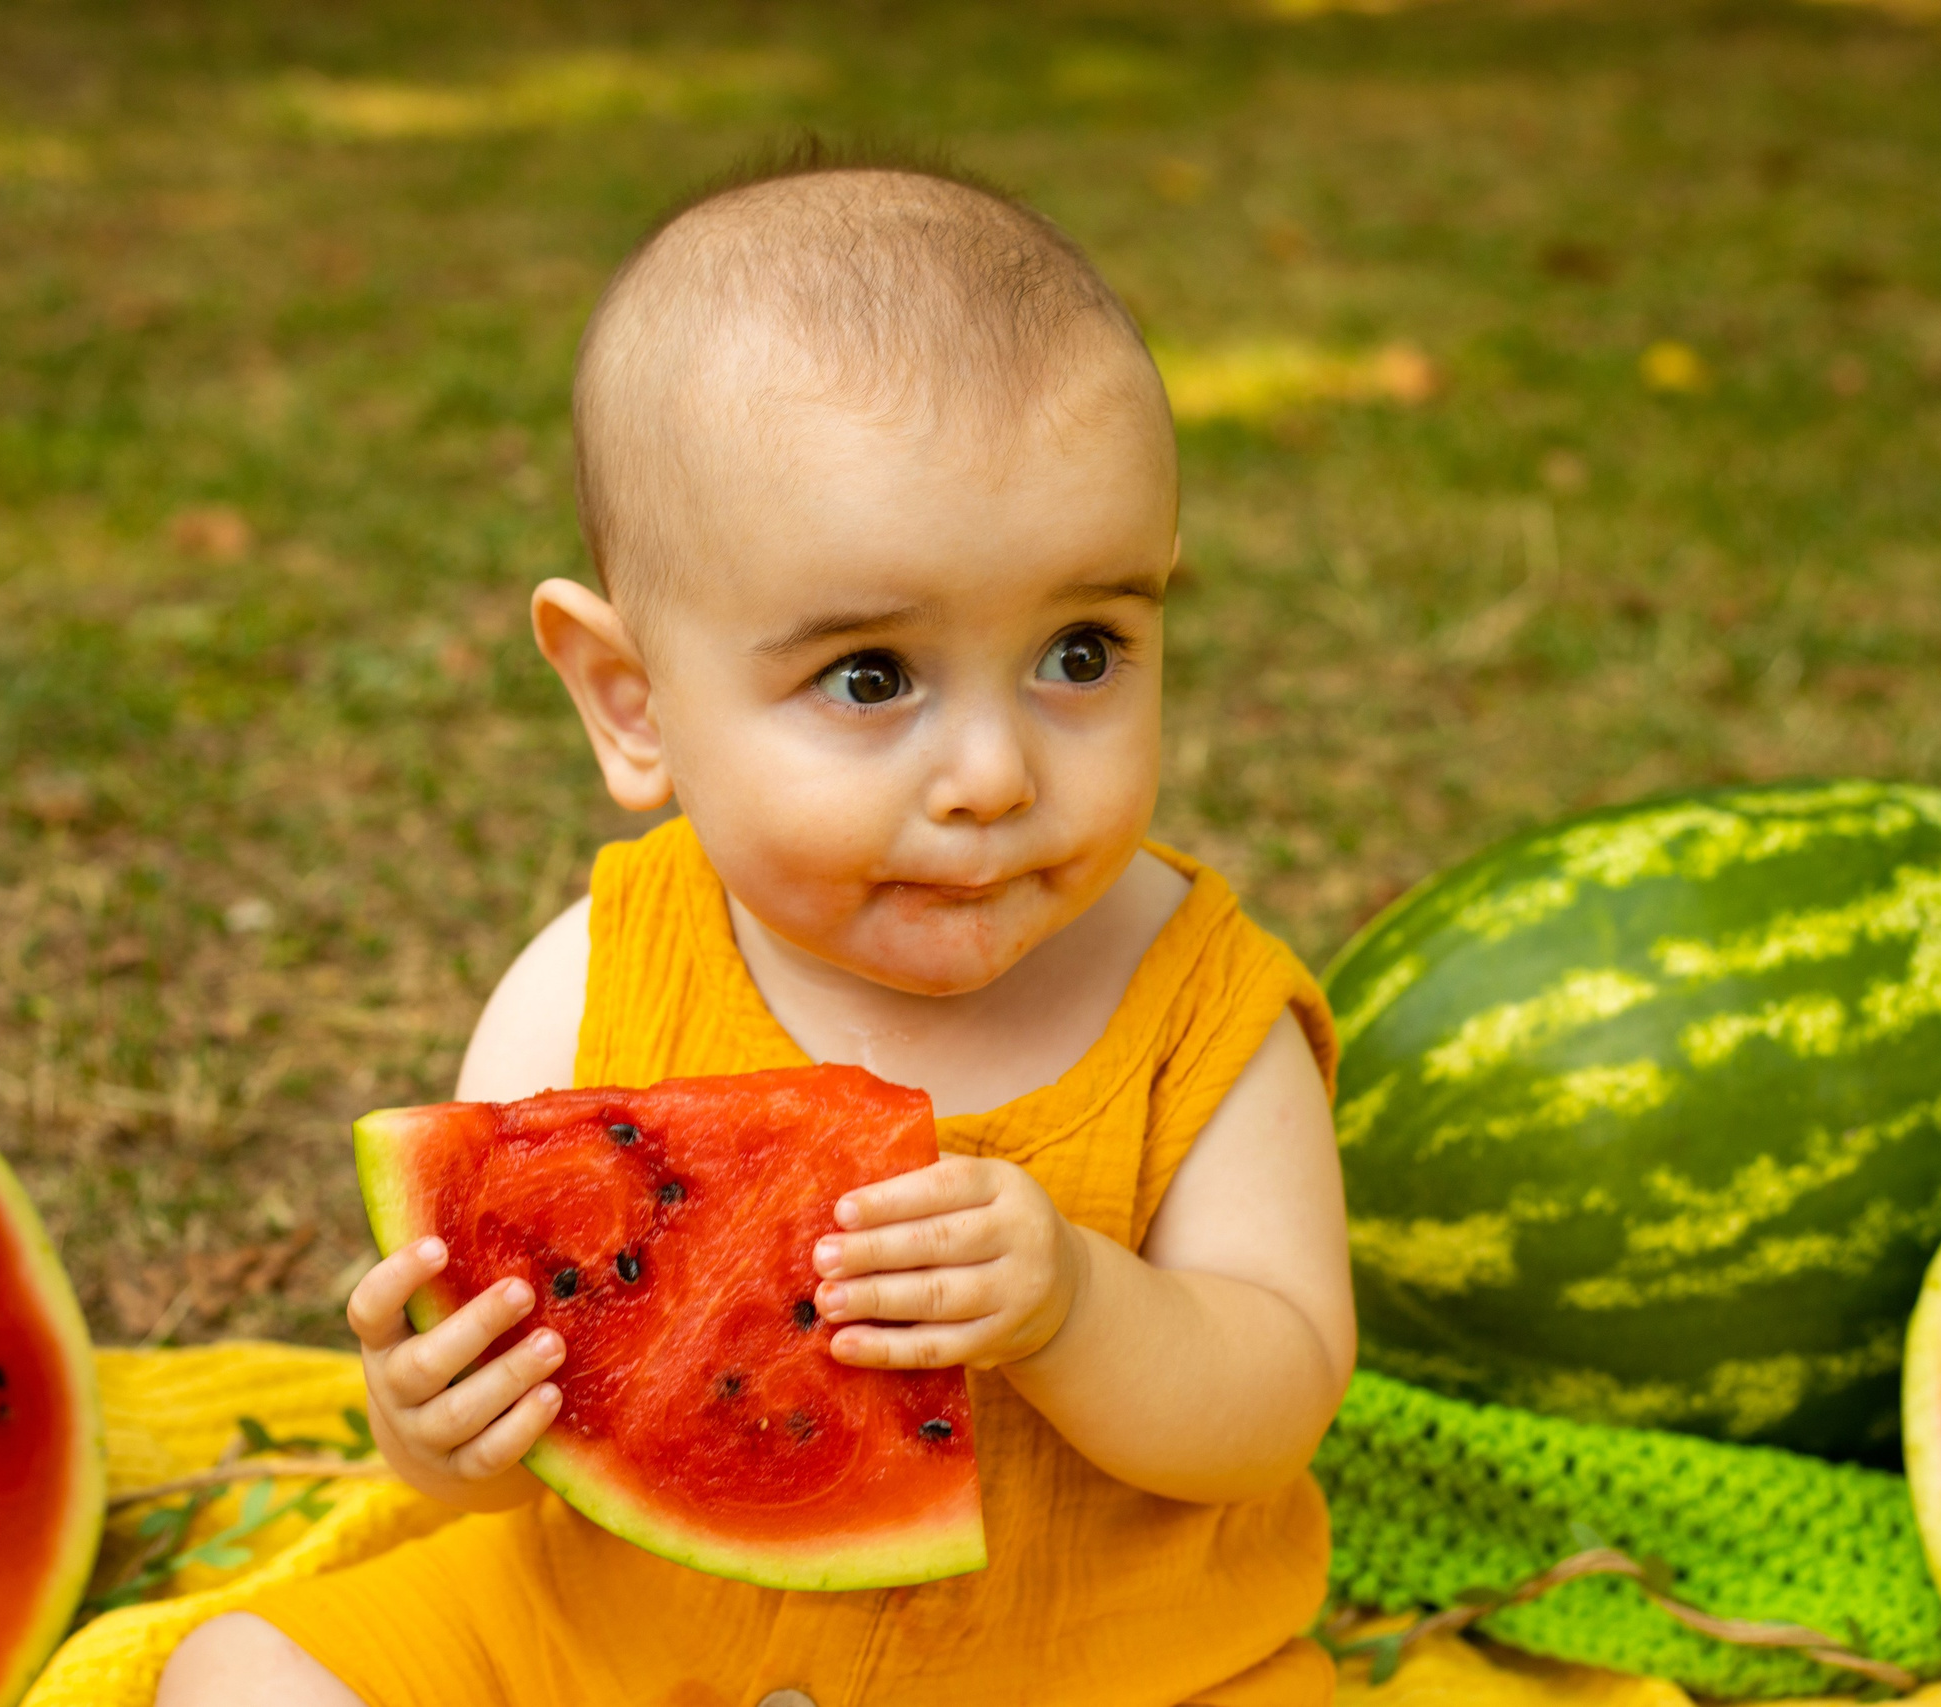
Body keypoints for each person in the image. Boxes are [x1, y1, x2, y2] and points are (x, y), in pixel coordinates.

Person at [158, 148, 1357, 1707]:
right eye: (873, 678)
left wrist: (1076, 1303)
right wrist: (436, 1427)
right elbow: (525, 1435)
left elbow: (1275, 1401)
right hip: (617, 1644)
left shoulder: (1205, 1009)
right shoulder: (590, 981)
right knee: (239, 1675)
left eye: (1082, 650)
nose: (994, 777)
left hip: (1103, 1671)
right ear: (632, 704)